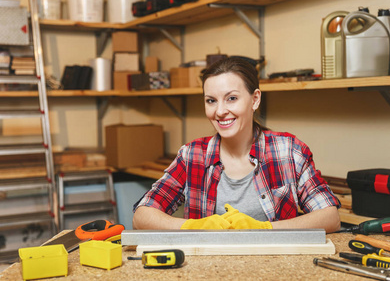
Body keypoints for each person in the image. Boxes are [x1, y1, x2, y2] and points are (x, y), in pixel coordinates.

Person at [132, 57, 341, 232]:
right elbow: (142, 216)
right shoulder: (192, 155)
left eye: (231, 98)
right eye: (211, 100)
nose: (220, 111)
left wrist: (264, 229)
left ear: (255, 99)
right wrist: (193, 227)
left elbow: (330, 217)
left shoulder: (288, 152)